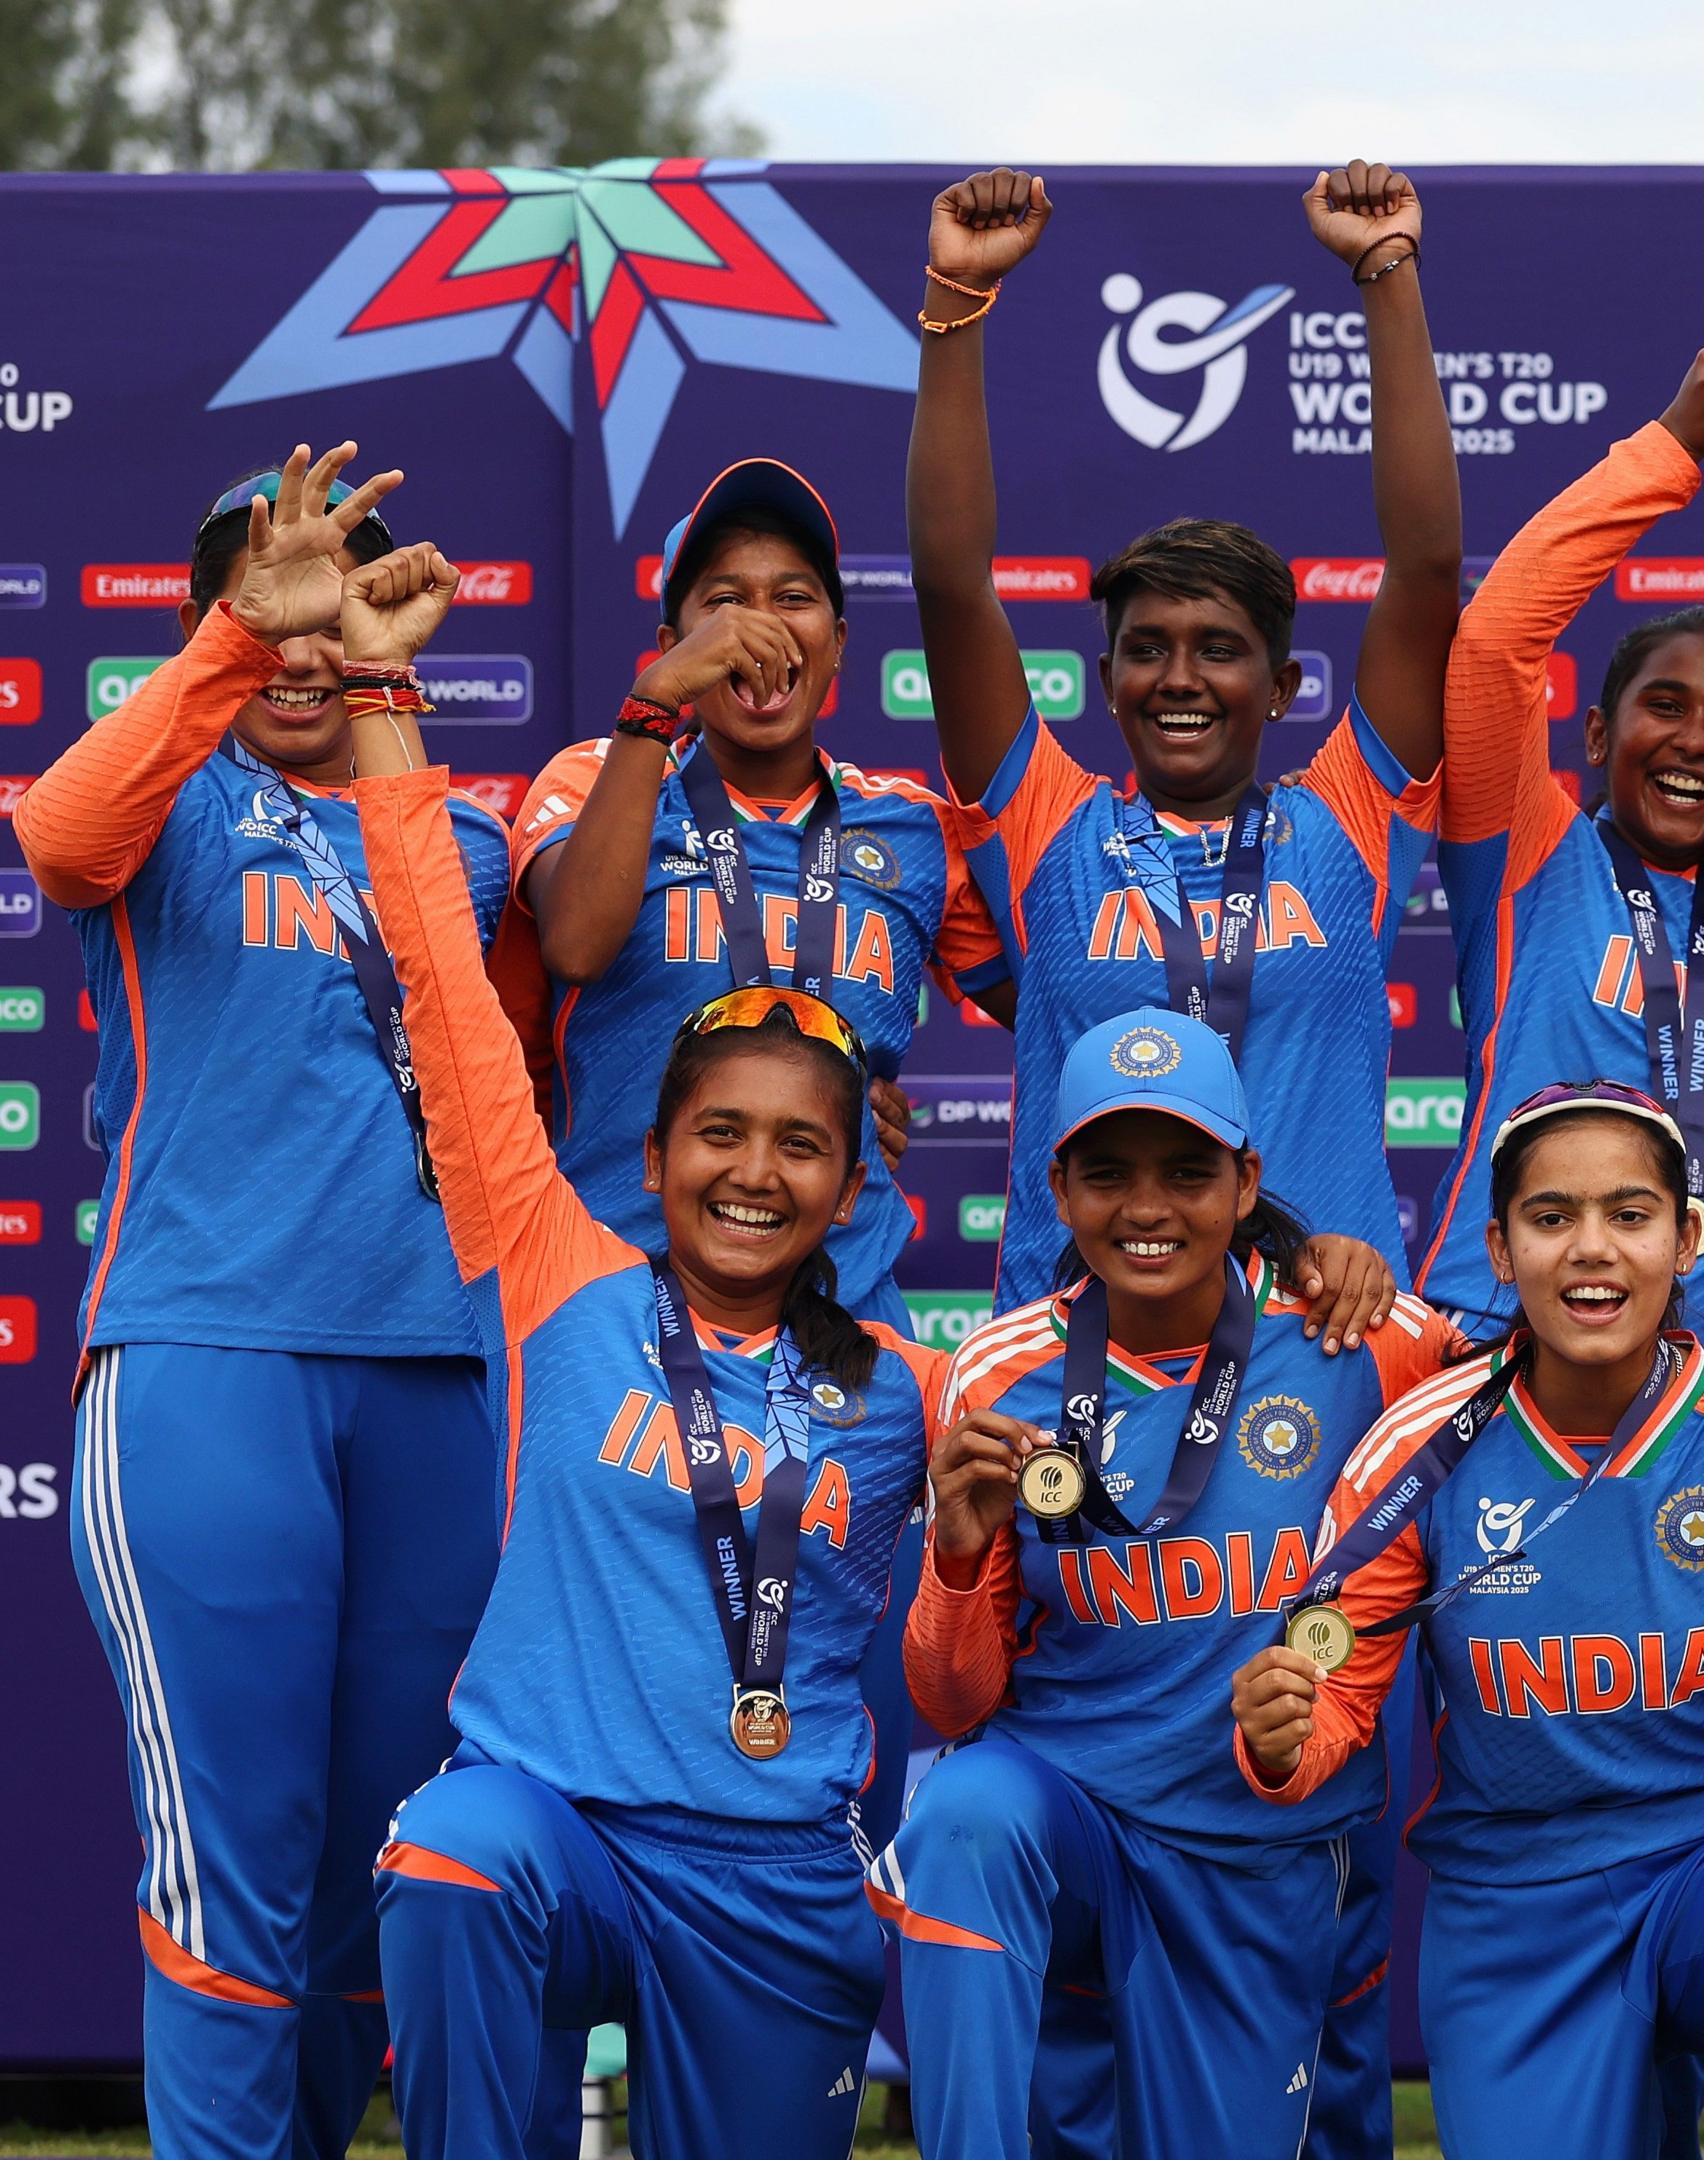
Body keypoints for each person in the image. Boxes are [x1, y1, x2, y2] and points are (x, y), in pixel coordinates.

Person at [327, 547, 936, 2159]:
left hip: (772, 1880)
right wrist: (388, 696)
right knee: (453, 1850)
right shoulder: (554, 1281)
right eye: (716, 1135)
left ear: (855, 1186)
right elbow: (453, 1004)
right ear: (652, 1159)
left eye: (797, 1148)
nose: (753, 1172)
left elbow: (967, 1664)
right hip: (558, 1832)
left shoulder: (900, 1394)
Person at [30, 446, 511, 2159]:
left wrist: (371, 665)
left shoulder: (453, 825)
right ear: (222, 614)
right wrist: (243, 637)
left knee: (375, 1871)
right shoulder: (162, 800)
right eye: (275, 588)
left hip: (436, 1388)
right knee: (230, 1861)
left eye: (341, 591)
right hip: (207, 1367)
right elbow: (54, 835)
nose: (311, 631)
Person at [1247, 1082, 1704, 2160]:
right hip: (1517, 1917)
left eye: (1631, 1215)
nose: (1591, 1250)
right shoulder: (1423, 1445)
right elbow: (1335, 1704)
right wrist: (1281, 1734)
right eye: (1551, 1219)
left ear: (1687, 1237)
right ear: (1499, 1251)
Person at [866, 1003, 1452, 2158]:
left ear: (1247, 1182)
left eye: (1187, 1172)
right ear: (1059, 1186)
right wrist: (952, 1552)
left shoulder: (1366, 1339)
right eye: (1108, 1173)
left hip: (1261, 1844)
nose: (1145, 1208)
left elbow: (1554, 1380)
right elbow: (949, 1701)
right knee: (964, 1814)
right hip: (1072, 1822)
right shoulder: (999, 1372)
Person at [910, 162, 1457, 1297]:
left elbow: (1427, 567)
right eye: (1148, 649)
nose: (1180, 676)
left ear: (1284, 686)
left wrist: (1386, 274)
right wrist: (954, 310)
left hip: (1325, 1339)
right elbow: (952, 587)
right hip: (1075, 1347)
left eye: (1219, 649)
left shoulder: (1350, 819)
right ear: (1105, 683)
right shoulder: (1044, 825)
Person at [1419, 331, 1704, 1346]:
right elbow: (1495, 644)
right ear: (1597, 734)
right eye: (1663, 705)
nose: (1693, 742)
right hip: (1499, 1330)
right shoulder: (1530, 856)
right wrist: (1674, 444)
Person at [511, 455, 1002, 1326]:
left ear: (840, 641)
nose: (761, 627)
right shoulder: (601, 777)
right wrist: (649, 712)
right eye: (725, 601)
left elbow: (1065, 1004)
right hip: (621, 1299)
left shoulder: (914, 826)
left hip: (846, 1314)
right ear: (672, 647)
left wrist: (857, 1090)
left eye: (794, 596)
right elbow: (577, 943)